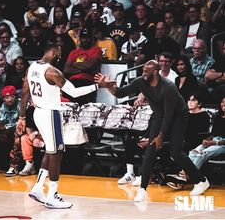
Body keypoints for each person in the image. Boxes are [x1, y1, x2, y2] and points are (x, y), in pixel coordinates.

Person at [16, 42, 114, 209]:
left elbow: (25, 92)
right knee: (57, 152)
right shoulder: (53, 72)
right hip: (50, 114)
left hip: (38, 112)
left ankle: (39, 187)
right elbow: (74, 92)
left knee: (50, 150)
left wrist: (22, 116)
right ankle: (52, 195)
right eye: (60, 52)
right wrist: (100, 86)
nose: (60, 55)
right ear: (55, 52)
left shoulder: (32, 67)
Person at [95, 60, 210, 201]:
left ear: (155, 72)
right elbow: (120, 93)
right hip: (159, 115)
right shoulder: (140, 82)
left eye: (146, 71)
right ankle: (143, 189)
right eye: (143, 70)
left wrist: (161, 136)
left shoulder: (168, 87)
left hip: (178, 116)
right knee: (150, 151)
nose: (143, 72)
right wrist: (109, 86)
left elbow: (169, 115)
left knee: (176, 151)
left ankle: (201, 180)